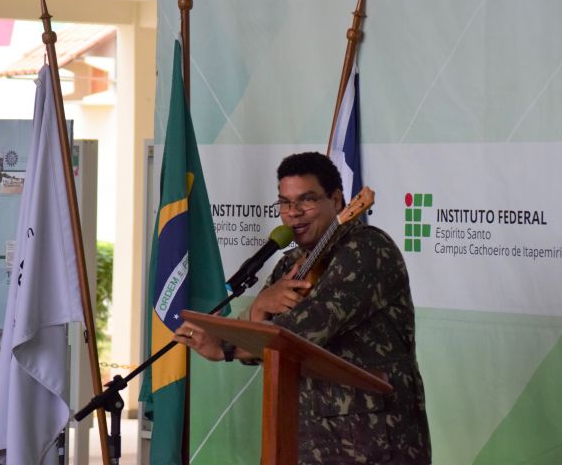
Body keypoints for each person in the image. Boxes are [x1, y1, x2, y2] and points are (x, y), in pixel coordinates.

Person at [175, 151, 431, 464]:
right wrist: (258, 308)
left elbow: (302, 332)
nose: (293, 213)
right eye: (284, 202)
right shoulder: (289, 264)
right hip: (307, 441)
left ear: (337, 200)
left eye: (306, 200)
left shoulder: (367, 249)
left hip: (374, 441)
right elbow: (266, 346)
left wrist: (225, 347)